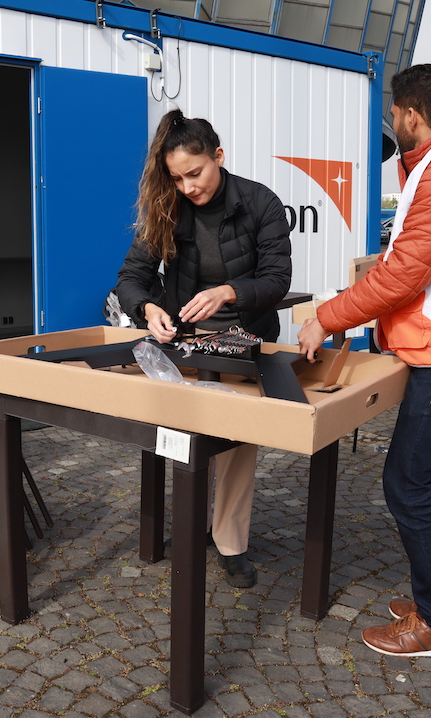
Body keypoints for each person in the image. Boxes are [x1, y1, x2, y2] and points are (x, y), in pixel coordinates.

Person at [298, 63, 431, 657]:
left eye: (394, 113)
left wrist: (327, 316)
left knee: (406, 482)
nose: (392, 121)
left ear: (411, 114)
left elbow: (406, 272)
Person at [116, 109, 292, 589]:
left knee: (236, 441)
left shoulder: (261, 203)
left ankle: (230, 542)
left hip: (246, 336)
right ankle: (189, 522)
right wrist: (148, 308)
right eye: (177, 178)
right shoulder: (166, 207)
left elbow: (277, 280)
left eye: (195, 173)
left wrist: (228, 292)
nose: (188, 187)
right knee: (184, 434)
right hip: (184, 342)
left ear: (219, 156)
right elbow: (131, 278)